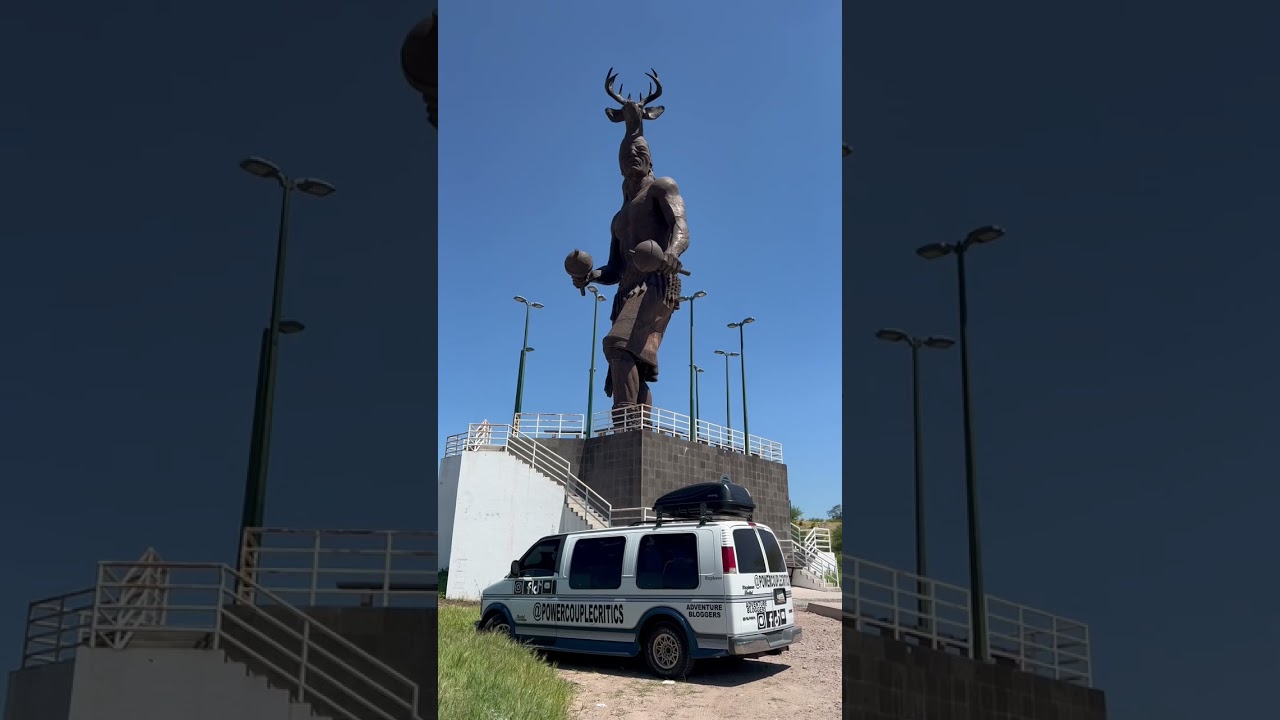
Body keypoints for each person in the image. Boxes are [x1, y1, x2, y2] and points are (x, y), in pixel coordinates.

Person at [572, 133, 690, 423]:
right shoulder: (618, 219)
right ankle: (640, 427)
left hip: (657, 281)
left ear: (650, 159)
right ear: (619, 166)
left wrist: (672, 252)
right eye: (626, 154)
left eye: (639, 150)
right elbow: (614, 268)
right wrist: (589, 276)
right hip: (626, 290)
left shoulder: (662, 188)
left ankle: (624, 423)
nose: (632, 156)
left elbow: (681, 227)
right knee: (631, 359)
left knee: (617, 343)